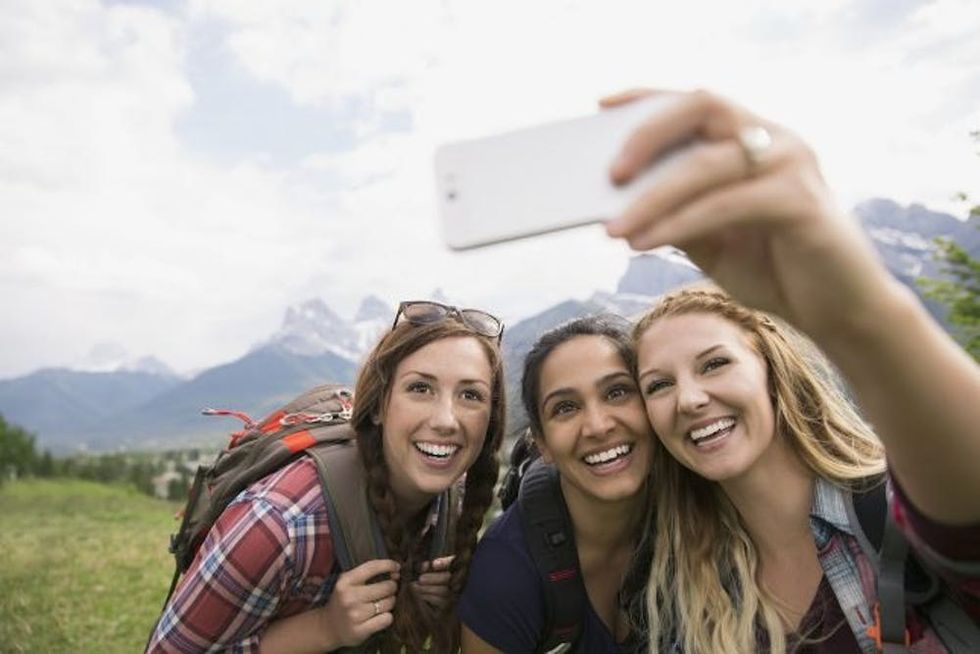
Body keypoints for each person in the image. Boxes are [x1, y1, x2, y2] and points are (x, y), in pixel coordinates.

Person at [602, 88, 980, 652]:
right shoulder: (675, 603)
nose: (689, 398)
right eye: (659, 385)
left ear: (773, 374)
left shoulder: (896, 515)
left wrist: (861, 318)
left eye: (715, 364)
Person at [147, 300, 507, 653]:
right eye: (420, 388)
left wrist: (440, 601)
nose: (446, 420)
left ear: (490, 419)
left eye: (470, 395)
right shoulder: (277, 523)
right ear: (379, 405)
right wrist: (324, 628)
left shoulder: (451, 503)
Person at [459, 315, 655, 653]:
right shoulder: (507, 575)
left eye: (618, 391)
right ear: (543, 444)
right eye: (565, 407)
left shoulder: (700, 517)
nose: (597, 426)